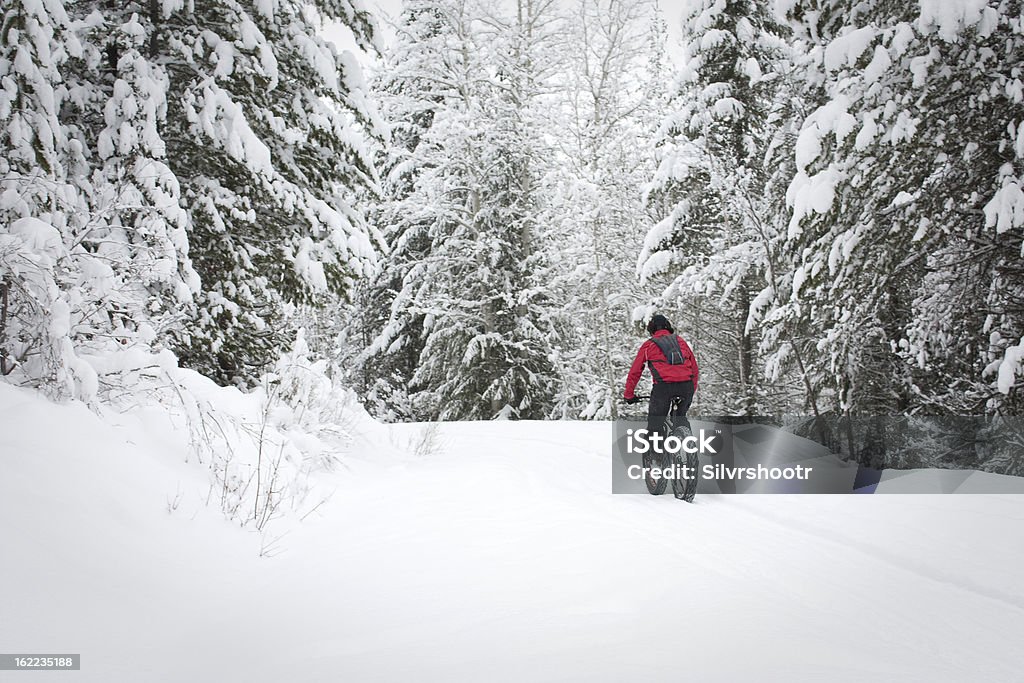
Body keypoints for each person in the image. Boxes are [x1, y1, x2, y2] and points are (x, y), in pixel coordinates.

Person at [623, 314, 699, 438]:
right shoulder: (681, 341)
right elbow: (694, 369)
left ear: (651, 329)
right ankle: (690, 451)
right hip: (687, 386)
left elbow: (635, 371)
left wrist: (629, 395)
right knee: (680, 419)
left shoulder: (648, 345)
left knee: (655, 424)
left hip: (663, 388)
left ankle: (655, 455)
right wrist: (691, 390)